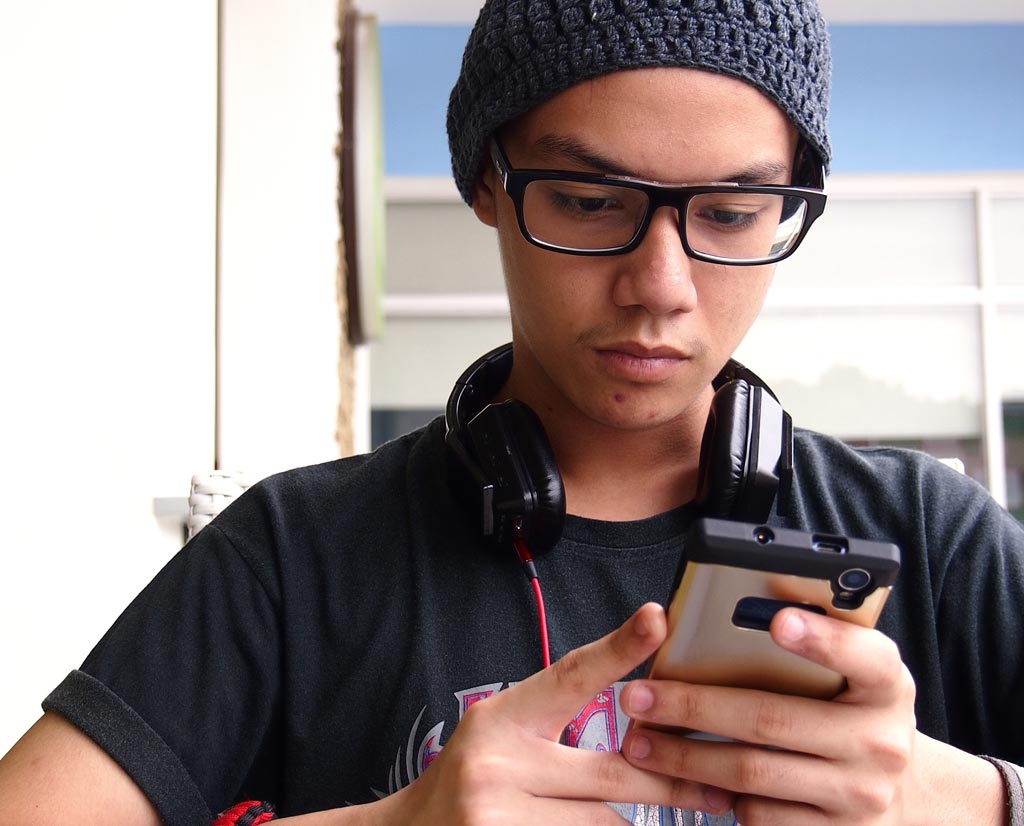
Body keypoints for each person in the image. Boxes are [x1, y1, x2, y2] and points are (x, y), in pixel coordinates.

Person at [2, 1, 1022, 824]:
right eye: (588, 200)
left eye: (727, 212)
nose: (660, 285)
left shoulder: (936, 538)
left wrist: (967, 802)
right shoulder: (289, 552)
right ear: (487, 181)